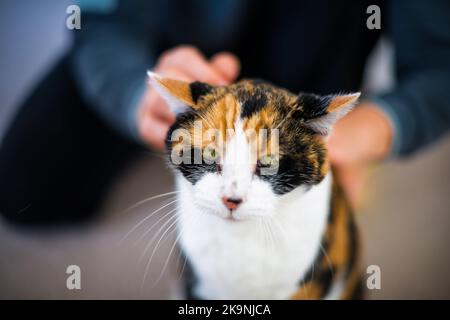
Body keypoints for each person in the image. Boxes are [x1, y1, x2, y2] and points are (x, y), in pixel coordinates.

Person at [0, 0, 449, 225]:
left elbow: (440, 69)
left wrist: (367, 129)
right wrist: (139, 95)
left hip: (316, 45)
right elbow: (97, 20)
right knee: (26, 189)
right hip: (171, 41)